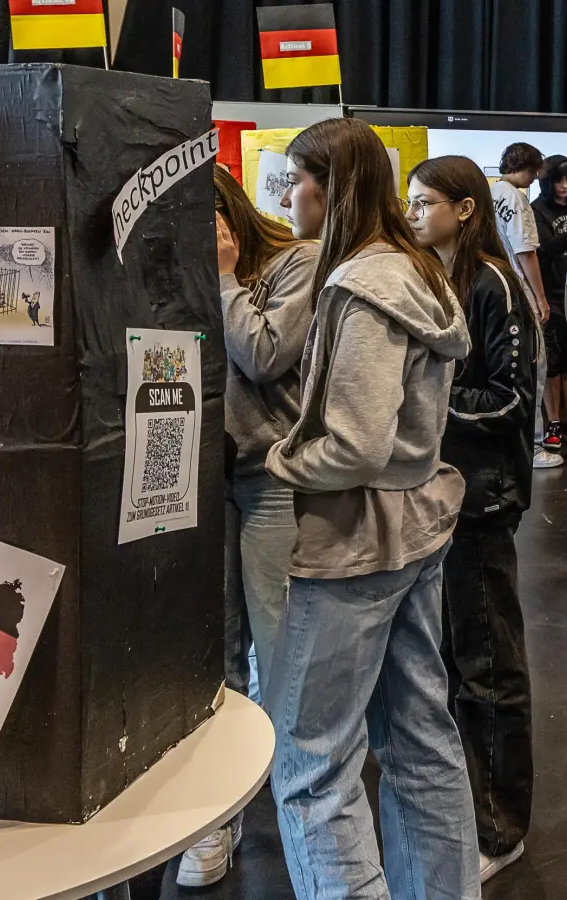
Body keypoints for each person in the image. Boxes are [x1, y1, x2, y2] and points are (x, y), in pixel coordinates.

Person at [263, 118, 480, 900]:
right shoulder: (414, 270)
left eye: (297, 179)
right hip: (414, 529)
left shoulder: (364, 283)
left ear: (336, 185)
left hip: (356, 539)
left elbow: (354, 445)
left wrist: (280, 459)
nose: (288, 195)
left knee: (311, 765)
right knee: (420, 739)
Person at [180, 165, 318, 889]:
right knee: (213, 654)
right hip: (195, 480)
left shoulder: (296, 260)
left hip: (266, 478)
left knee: (279, 646)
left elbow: (265, 355)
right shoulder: (174, 260)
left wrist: (227, 276)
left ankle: (303, 808)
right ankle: (213, 819)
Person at [408, 155, 541, 885]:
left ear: (463, 208)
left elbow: (512, 399)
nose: (413, 213)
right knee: (456, 663)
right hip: (438, 496)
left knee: (489, 666)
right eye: (409, 201)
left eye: (425, 202)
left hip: (480, 500)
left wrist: (427, 403)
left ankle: (501, 826)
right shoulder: (434, 279)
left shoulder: (490, 282)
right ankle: (475, 810)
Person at [495, 141, 561, 471]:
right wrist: (540, 298)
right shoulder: (517, 199)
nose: (536, 179)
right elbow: (526, 252)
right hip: (519, 291)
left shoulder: (490, 193)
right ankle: (533, 445)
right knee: (534, 366)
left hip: (494, 289)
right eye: (535, 171)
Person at [532, 155, 567, 452]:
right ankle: (552, 422)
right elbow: (543, 249)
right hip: (550, 296)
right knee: (551, 363)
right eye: (558, 180)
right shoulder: (537, 210)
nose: (565, 186)